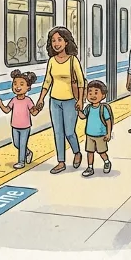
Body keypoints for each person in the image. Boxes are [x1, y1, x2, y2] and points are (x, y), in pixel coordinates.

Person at [35, 27, 85, 174]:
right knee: (58, 132)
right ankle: (61, 162)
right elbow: (47, 81)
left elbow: (81, 82)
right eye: (53, 41)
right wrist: (41, 99)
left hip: (70, 101)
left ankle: (77, 152)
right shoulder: (51, 61)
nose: (56, 43)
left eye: (59, 40)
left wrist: (81, 100)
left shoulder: (73, 60)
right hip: (54, 101)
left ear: (66, 41)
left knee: (69, 132)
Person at [0, 70, 40, 169]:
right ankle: (28, 152)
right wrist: (0, 104)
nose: (17, 87)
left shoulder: (28, 100)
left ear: (28, 87)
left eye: (21, 84)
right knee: (16, 144)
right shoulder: (13, 100)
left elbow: (34, 112)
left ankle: (21, 162)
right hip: (14, 126)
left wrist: (39, 108)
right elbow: (7, 110)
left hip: (25, 127)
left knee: (22, 145)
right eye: (15, 84)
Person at [78, 80, 113, 177]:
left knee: (102, 151)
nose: (92, 95)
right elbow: (82, 116)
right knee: (90, 152)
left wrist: (108, 133)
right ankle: (90, 167)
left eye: (96, 93)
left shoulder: (103, 108)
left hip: (100, 135)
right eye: (90, 92)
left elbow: (108, 121)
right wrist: (78, 110)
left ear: (103, 95)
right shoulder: (88, 108)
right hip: (89, 134)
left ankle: (106, 161)